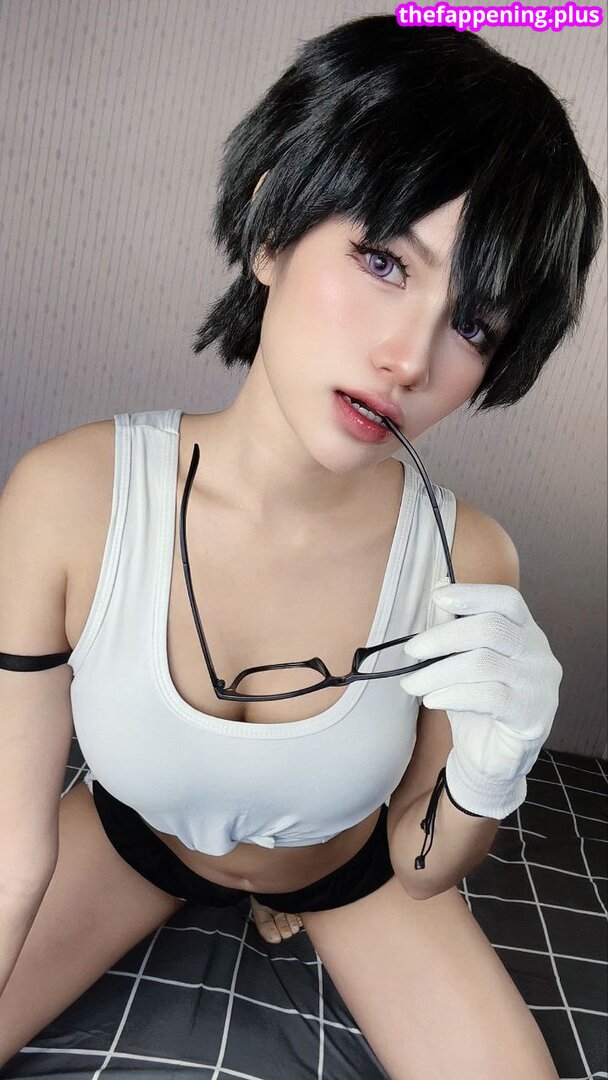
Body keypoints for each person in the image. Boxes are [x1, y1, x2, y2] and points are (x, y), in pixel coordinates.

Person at [0, 14, 602, 1078]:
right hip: (135, 841)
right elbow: (11, 847)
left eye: (473, 324)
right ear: (272, 223)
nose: (409, 357)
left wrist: (493, 767)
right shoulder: (66, 497)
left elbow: (425, 863)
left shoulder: (468, 558)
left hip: (351, 873)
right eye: (382, 260)